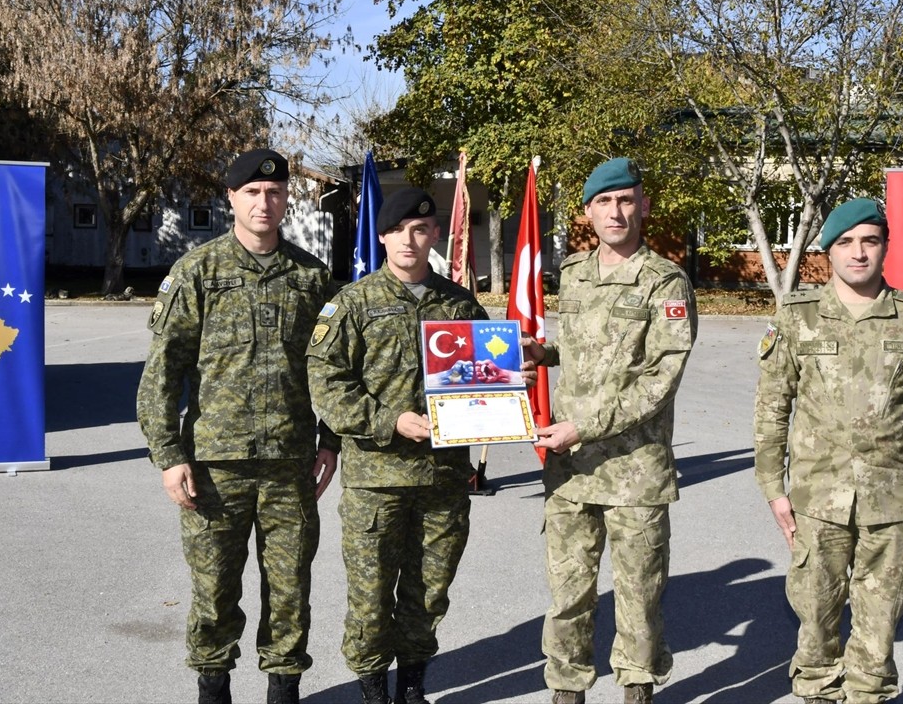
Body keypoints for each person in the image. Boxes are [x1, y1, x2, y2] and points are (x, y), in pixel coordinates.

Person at [137, 148, 339, 704]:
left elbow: (336, 368)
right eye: (252, 192)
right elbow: (162, 372)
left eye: (274, 193)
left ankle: (283, 691)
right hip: (213, 466)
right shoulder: (198, 271)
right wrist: (168, 455)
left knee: (291, 589)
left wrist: (330, 440)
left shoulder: (312, 277)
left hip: (290, 465)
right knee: (214, 590)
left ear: (286, 201)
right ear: (231, 197)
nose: (264, 202)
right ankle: (213, 690)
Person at [753, 197, 903, 704]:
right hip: (815, 496)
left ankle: (868, 694)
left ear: (885, 246)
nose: (859, 253)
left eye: (870, 240)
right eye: (845, 243)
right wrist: (772, 488)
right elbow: (772, 407)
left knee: (880, 617)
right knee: (816, 614)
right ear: (829, 252)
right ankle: (818, 693)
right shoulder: (798, 316)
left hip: (889, 499)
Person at [306, 188, 489, 704]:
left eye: (422, 230)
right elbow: (327, 383)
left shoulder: (459, 304)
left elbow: (483, 377)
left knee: (429, 592)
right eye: (400, 230)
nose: (411, 240)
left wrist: (502, 388)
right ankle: (371, 688)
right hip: (377, 481)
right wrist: (391, 420)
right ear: (382, 236)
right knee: (369, 595)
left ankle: (411, 685)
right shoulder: (353, 303)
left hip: (443, 479)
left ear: (434, 235)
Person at [528, 157, 697, 704]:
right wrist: (538, 353)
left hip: (635, 471)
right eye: (604, 202)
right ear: (587, 212)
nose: (616, 211)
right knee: (568, 592)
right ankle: (567, 686)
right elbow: (583, 353)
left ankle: (637, 686)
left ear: (643, 206)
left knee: (639, 592)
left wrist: (581, 426)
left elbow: (659, 379)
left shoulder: (665, 281)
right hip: (571, 470)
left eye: (626, 200)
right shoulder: (574, 273)